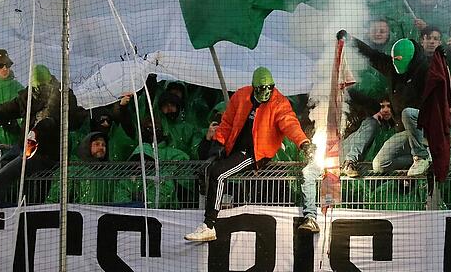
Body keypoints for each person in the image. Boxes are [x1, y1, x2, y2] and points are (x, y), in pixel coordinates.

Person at [0, 64, 86, 239]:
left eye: (42, 87)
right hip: (23, 147)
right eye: (36, 88)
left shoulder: (63, 95)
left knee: (5, 174)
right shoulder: (28, 96)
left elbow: (61, 120)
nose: (39, 91)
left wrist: (42, 127)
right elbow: (2, 110)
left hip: (46, 153)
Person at [184, 67, 313, 242]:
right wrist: (217, 145)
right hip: (234, 148)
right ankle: (215, 212)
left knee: (218, 173)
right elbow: (227, 122)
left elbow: (290, 124)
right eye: (262, 88)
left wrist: (303, 142)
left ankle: (209, 225)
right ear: (254, 87)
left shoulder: (279, 103)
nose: (266, 92)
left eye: (270, 87)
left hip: (256, 152)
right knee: (207, 170)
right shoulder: (241, 96)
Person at [341, 30, 433, 176]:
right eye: (395, 60)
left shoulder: (426, 72)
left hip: (422, 128)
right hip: (403, 132)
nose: (397, 64)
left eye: (400, 60)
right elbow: (372, 55)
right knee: (379, 165)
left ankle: (422, 156)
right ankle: (427, 159)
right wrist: (350, 40)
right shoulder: (391, 67)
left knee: (408, 113)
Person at [341, 98, 396, 177]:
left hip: (370, 167)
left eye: (388, 106)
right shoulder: (370, 122)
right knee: (371, 123)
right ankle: (349, 163)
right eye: (382, 107)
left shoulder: (391, 129)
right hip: (344, 154)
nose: (385, 110)